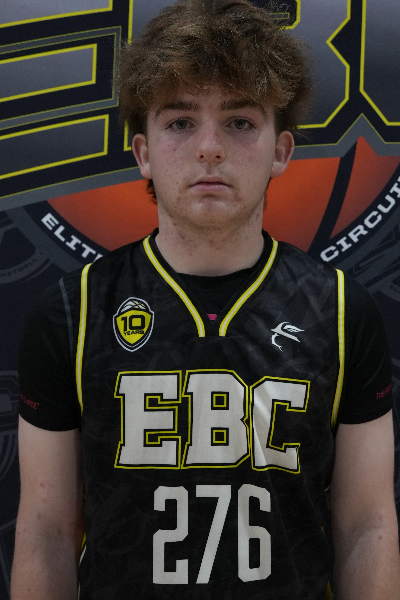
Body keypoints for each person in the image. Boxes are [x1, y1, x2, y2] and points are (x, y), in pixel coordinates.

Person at [11, 1, 400, 599]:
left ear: (281, 150)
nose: (210, 148)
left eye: (240, 122)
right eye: (180, 122)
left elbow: (366, 526)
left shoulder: (343, 312)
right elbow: (45, 531)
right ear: (143, 152)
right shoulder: (73, 311)